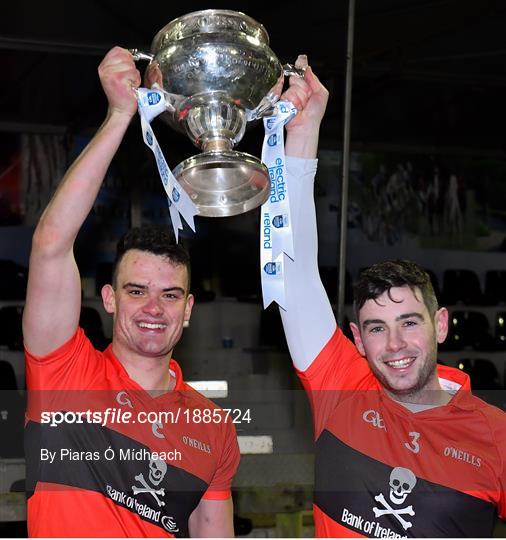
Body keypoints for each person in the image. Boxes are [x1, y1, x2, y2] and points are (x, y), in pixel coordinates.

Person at [280, 57, 506, 537]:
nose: (396, 345)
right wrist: (302, 136)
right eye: (378, 328)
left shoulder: (495, 435)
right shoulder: (340, 389)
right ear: (358, 340)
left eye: (409, 321)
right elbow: (294, 275)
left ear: (440, 324)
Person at [22, 47, 239, 538]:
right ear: (110, 297)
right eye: (137, 290)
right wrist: (121, 115)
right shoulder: (65, 373)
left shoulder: (213, 428)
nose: (153, 308)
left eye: (169, 295)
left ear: (188, 310)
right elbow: (52, 244)